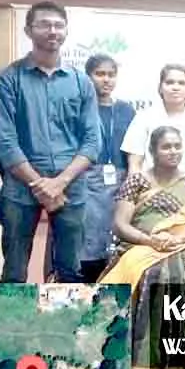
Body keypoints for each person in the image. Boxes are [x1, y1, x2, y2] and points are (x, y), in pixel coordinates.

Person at [99, 126, 185, 369]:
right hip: (141, 246)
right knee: (155, 275)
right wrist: (150, 240)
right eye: (166, 147)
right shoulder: (137, 182)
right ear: (153, 151)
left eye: (177, 146)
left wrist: (177, 239)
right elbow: (121, 224)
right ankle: (150, 368)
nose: (173, 151)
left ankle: (174, 367)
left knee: (179, 274)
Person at [0, 0, 99, 283]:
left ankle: (63, 316)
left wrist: (59, 182)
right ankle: (14, 316)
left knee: (71, 271)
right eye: (44, 24)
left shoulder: (81, 82)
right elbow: (4, 141)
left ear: (66, 31)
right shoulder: (9, 79)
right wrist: (40, 184)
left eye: (58, 25)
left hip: (70, 186)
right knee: (14, 271)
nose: (52, 31)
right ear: (28, 30)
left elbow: (92, 142)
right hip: (20, 186)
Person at [79, 53, 135, 281]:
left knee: (116, 244)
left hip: (120, 183)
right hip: (87, 182)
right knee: (88, 246)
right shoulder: (79, 107)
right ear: (88, 76)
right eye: (100, 74)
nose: (106, 79)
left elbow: (134, 151)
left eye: (111, 74)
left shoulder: (126, 110)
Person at [121, 64, 185, 174]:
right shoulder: (143, 118)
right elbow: (135, 164)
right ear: (160, 88)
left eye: (181, 83)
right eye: (170, 82)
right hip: (150, 183)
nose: (175, 87)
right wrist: (139, 185)